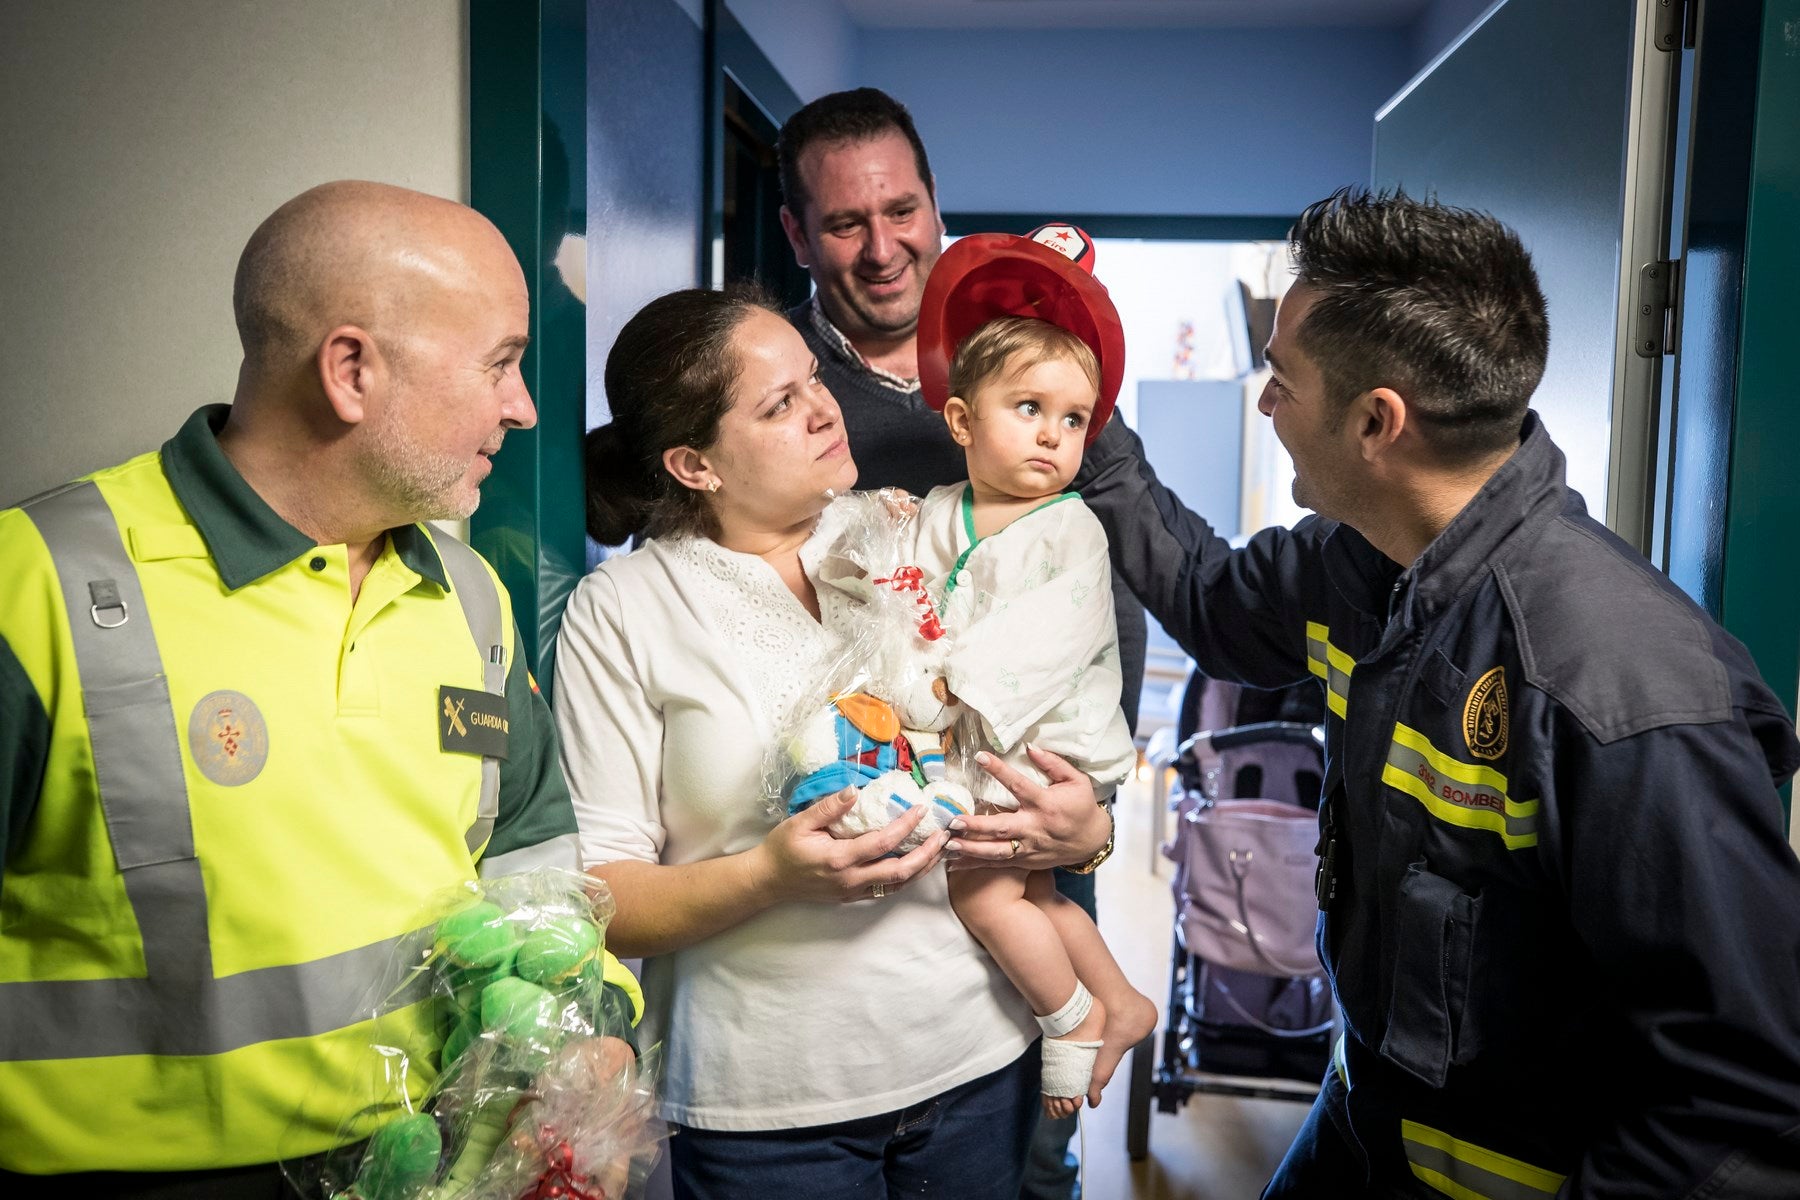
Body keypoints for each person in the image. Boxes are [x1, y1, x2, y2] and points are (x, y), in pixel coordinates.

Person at [1076, 186, 1800, 1197]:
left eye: (1282, 380)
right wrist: (1077, 406)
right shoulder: (1351, 562)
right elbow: (1210, 601)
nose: (1266, 404)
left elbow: (1743, 1100)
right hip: (1364, 1117)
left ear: (1378, 422)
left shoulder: (1620, 687)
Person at [0, 181, 641, 1197]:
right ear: (350, 371)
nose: (522, 407)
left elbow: (533, 862)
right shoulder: (35, 582)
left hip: (436, 1170)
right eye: (500, 363)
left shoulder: (470, 596)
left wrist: (591, 1037)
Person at [554, 284, 1050, 1199]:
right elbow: (604, 897)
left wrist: (1079, 829)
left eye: (814, 378)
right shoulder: (624, 609)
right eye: (780, 404)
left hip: (979, 1051)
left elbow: (1021, 728)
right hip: (770, 1103)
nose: (824, 409)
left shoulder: (913, 532)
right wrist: (770, 876)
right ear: (695, 465)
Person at [776, 90, 1135, 1193]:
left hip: (1025, 779)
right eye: (845, 223)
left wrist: (1094, 826)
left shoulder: (1045, 362)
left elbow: (1117, 584)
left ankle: (1084, 1022)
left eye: (902, 210)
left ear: (937, 205)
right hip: (886, 800)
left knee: (1034, 1147)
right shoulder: (786, 387)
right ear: (798, 234)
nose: (883, 247)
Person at [901, 226, 1158, 1118]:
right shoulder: (939, 511)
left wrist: (946, 688)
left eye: (1073, 420)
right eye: (1028, 409)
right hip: (985, 741)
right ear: (962, 422)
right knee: (1037, 893)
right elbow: (905, 589)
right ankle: (1121, 996)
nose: (1053, 435)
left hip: (1046, 749)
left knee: (981, 893)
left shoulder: (1071, 528)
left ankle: (1070, 1017)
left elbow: (1047, 640)